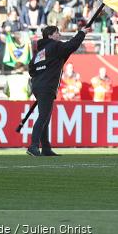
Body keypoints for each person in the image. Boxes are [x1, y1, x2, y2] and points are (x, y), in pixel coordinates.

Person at [26, 24, 87, 156]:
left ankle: (46, 148)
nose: (59, 35)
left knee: (45, 117)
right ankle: (33, 146)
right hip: (47, 86)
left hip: (38, 86)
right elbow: (71, 45)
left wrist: (40, 78)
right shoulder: (55, 46)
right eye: (57, 33)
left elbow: (31, 69)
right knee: (43, 116)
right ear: (50, 36)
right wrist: (81, 33)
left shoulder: (40, 52)